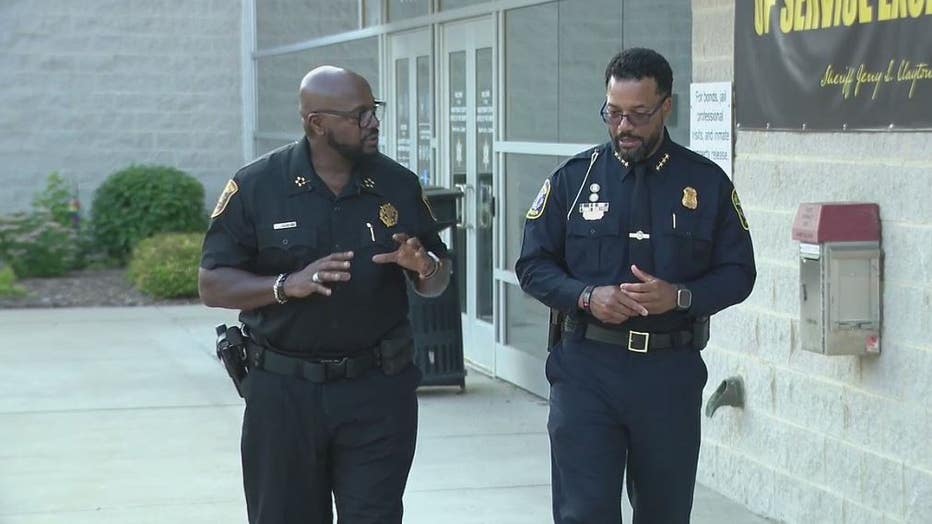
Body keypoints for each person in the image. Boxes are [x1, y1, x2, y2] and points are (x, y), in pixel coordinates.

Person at [198, 65, 451, 524]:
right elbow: (212, 283)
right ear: (316, 123)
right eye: (359, 115)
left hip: (377, 391)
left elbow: (438, 278)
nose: (373, 123)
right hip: (283, 393)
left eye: (374, 111)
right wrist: (284, 285)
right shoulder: (257, 186)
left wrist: (424, 266)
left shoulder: (397, 184)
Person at [515, 48, 756, 524]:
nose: (624, 126)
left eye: (639, 114)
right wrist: (586, 296)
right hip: (586, 370)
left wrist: (682, 296)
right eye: (614, 113)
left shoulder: (705, 184)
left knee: (665, 513)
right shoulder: (573, 181)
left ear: (667, 107)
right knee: (584, 512)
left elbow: (739, 273)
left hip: (668, 373)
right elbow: (533, 265)